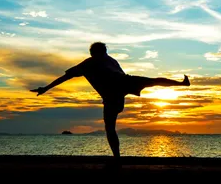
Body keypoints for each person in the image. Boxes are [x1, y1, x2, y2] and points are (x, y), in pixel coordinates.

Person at [30, 42, 190, 161]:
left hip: (115, 92)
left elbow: (65, 77)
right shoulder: (109, 59)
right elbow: (66, 76)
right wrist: (46, 88)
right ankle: (181, 84)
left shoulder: (90, 62)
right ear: (103, 51)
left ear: (93, 52)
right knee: (153, 81)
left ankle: (117, 158)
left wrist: (45, 88)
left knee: (110, 127)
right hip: (120, 89)